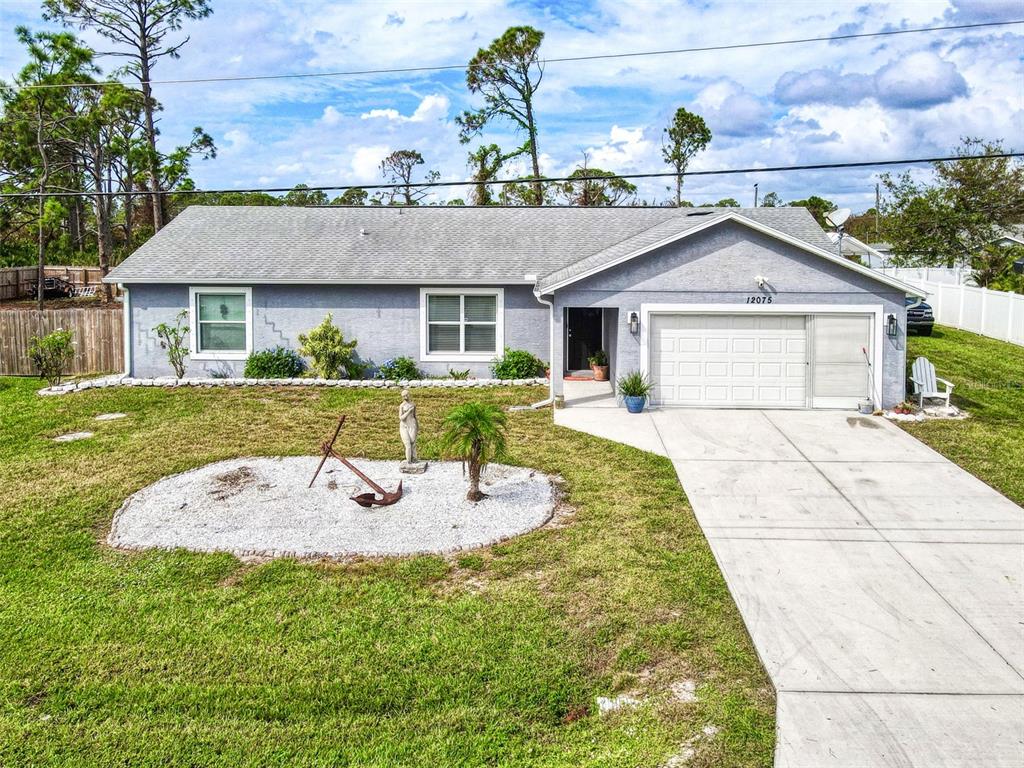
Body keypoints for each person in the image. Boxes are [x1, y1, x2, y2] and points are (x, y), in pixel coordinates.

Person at [398, 389, 418, 464]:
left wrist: (417, 426)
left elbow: (414, 416)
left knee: (413, 442)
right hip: (404, 426)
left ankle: (414, 459)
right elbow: (401, 418)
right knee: (408, 444)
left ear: (409, 395)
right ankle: (408, 462)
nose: (405, 397)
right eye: (403, 396)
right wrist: (408, 411)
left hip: (412, 425)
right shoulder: (402, 406)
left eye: (406, 395)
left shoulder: (413, 404)